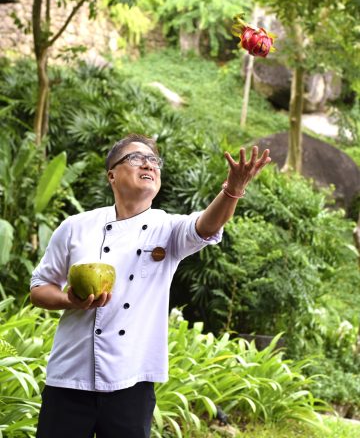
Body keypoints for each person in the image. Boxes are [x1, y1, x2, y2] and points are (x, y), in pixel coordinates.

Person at [30, 133, 271, 438]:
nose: (148, 163)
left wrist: (234, 189)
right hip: (69, 378)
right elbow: (39, 287)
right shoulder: (75, 227)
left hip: (132, 382)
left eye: (153, 160)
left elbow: (207, 226)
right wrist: (71, 300)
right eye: (135, 157)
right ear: (112, 175)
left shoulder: (168, 228)